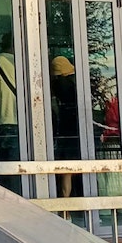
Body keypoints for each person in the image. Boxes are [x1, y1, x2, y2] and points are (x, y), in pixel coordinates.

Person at [0, 33, 21, 193]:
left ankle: (1, 201)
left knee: (0, 167)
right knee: (16, 170)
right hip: (16, 121)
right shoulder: (20, 65)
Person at [49, 55, 79, 197]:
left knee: (65, 170)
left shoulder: (59, 86)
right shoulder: (77, 83)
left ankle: (65, 206)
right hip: (75, 132)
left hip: (64, 132)